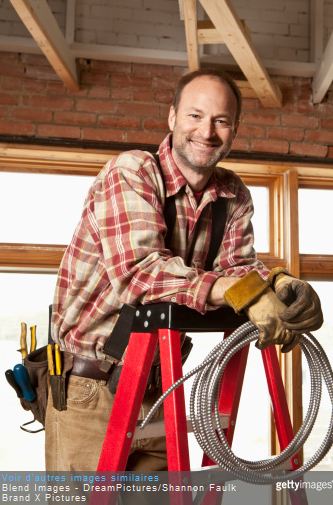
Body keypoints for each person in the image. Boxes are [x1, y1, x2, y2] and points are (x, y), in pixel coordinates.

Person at [45, 68, 323, 472]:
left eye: (221, 120)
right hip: (90, 389)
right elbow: (140, 273)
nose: (207, 131)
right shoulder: (132, 171)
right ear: (173, 117)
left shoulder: (233, 194)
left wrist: (278, 284)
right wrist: (243, 290)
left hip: (157, 386)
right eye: (195, 116)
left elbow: (238, 269)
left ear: (234, 129)